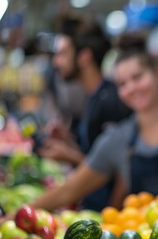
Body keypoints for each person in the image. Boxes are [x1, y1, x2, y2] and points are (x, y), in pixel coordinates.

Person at [0, 35, 158, 222]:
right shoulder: (117, 140)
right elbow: (69, 190)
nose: (131, 88)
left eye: (138, 77)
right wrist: (9, 219)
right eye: (123, 84)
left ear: (157, 74)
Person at [36, 14, 132, 211]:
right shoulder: (94, 98)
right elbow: (96, 155)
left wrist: (69, 156)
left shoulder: (111, 102)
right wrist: (68, 141)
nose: (56, 62)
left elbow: (117, 169)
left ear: (84, 56)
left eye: (62, 54)